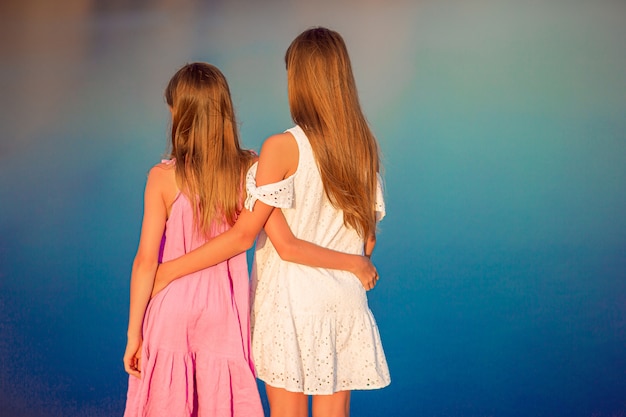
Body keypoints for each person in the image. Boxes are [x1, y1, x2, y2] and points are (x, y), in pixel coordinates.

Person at [153, 27, 390, 417]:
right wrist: (352, 262)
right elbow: (367, 243)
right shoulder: (363, 148)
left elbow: (259, 238)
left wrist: (167, 272)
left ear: (299, 81)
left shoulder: (281, 148)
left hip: (292, 305)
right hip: (345, 302)